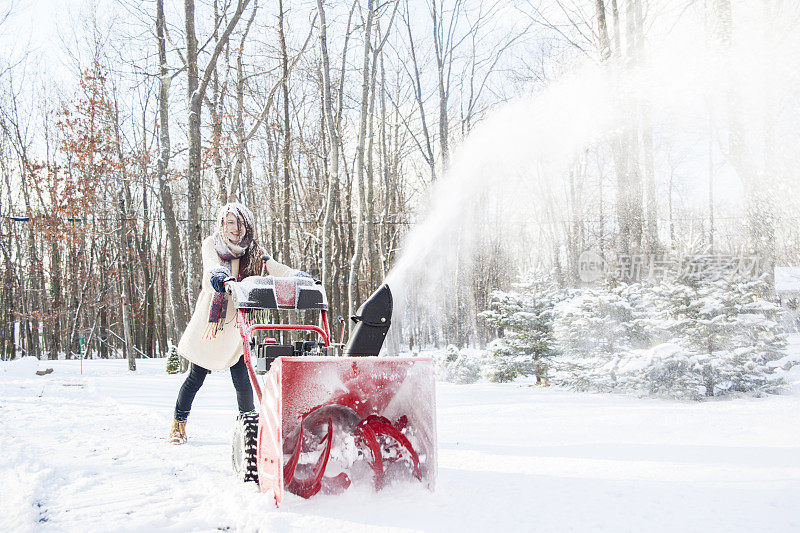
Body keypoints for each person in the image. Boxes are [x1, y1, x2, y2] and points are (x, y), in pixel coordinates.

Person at [168, 202, 309, 444]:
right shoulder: (211, 244)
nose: (235, 228)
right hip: (213, 323)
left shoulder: (254, 250)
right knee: (196, 377)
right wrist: (219, 275)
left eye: (240, 222)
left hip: (238, 322)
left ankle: (249, 431)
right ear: (222, 225)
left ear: (248, 225)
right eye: (230, 222)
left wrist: (296, 275)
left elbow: (273, 267)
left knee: (242, 379)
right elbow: (212, 264)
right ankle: (178, 426)